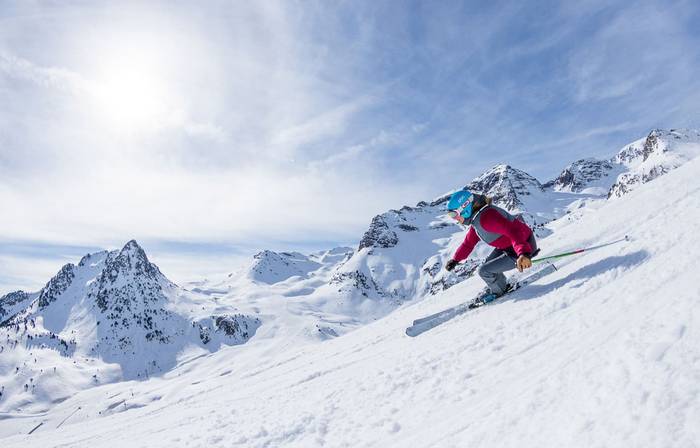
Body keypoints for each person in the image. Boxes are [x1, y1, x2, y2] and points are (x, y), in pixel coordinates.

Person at [444, 189, 538, 303]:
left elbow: (514, 231)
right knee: (487, 265)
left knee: (484, 271)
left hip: (523, 246)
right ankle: (501, 285)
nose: (455, 219)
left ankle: (499, 292)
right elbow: (468, 243)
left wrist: (523, 253)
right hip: (509, 248)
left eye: (454, 214)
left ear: (465, 207)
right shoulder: (477, 222)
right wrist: (455, 260)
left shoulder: (487, 218)